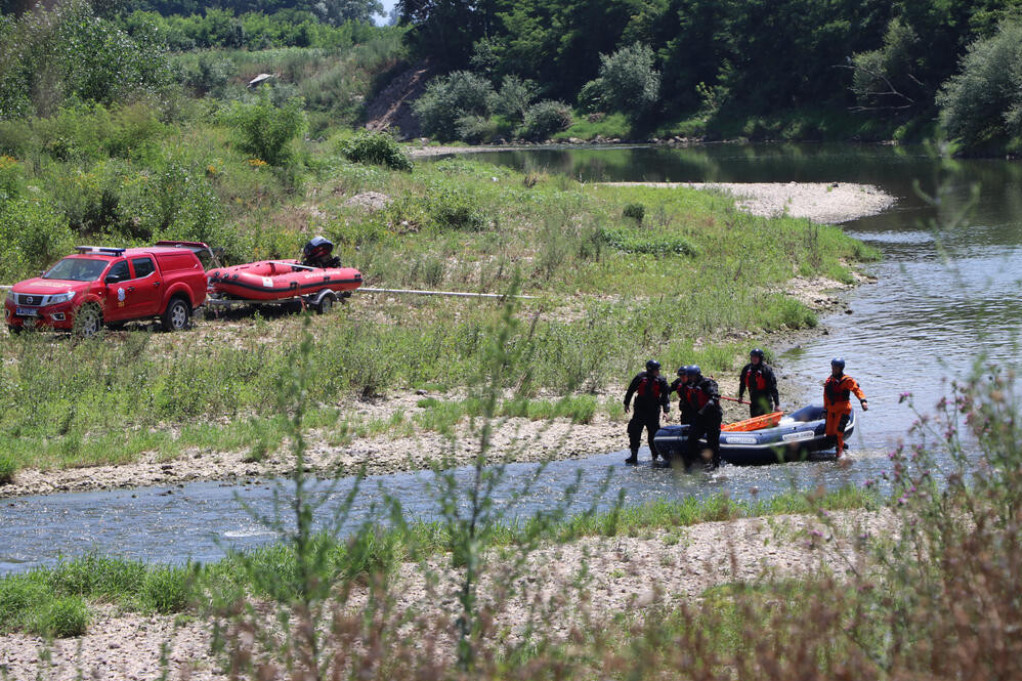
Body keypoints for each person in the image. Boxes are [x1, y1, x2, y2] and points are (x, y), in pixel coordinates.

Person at [623, 359, 670, 464]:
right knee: (634, 432)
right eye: (656, 370)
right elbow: (630, 390)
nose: (658, 372)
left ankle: (655, 457)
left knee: (654, 434)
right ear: (650, 370)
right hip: (640, 410)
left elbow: (665, 396)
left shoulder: (661, 380)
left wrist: (666, 411)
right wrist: (626, 403)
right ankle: (634, 455)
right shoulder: (640, 377)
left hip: (654, 411)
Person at [823, 357, 868, 458]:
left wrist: (863, 401)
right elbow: (826, 397)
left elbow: (857, 390)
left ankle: (840, 455)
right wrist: (825, 410)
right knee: (829, 433)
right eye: (832, 367)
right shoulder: (829, 381)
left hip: (843, 409)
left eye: (835, 367)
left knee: (838, 432)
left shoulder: (847, 380)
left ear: (841, 368)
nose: (833, 369)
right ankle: (843, 446)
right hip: (831, 409)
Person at [684, 365, 724, 470]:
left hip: (712, 416)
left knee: (713, 441)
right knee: (692, 438)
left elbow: (713, 398)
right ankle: (694, 461)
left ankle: (715, 465)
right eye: (689, 376)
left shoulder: (708, 383)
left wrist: (702, 411)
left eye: (692, 376)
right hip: (700, 417)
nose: (690, 378)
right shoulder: (690, 385)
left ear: (697, 375)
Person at [738, 348, 780, 417]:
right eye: (752, 357)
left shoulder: (766, 370)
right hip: (754, 402)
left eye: (756, 357)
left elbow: (773, 388)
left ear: (760, 358)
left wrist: (777, 404)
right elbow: (742, 383)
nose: (754, 359)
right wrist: (740, 396)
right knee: (755, 421)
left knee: (766, 424)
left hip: (766, 402)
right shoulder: (747, 368)